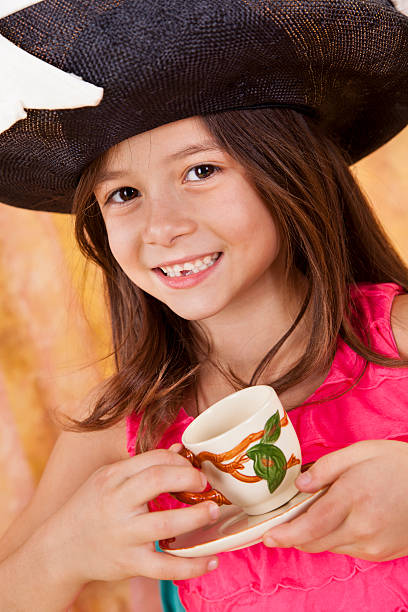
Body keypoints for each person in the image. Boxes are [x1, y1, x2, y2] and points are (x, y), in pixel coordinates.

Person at [0, 1, 408, 610]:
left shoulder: (397, 339)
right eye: (125, 193)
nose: (161, 227)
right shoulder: (122, 427)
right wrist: (64, 551)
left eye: (200, 170)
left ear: (290, 173)